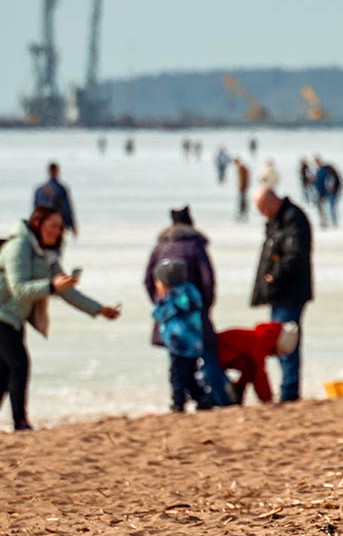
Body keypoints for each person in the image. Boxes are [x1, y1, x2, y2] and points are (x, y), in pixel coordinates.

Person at [0, 206, 120, 431]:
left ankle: (19, 421)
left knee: (5, 372)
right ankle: (21, 423)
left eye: (60, 227)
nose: (57, 232)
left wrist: (99, 309)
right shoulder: (18, 247)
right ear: (38, 224)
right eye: (53, 226)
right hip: (2, 317)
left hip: (13, 319)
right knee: (19, 365)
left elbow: (66, 291)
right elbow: (19, 289)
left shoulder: (46, 253)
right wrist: (51, 286)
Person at [144, 206, 232, 406]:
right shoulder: (195, 245)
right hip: (194, 316)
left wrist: (163, 302)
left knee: (176, 363)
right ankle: (213, 397)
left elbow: (147, 280)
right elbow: (208, 280)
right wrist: (202, 307)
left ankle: (180, 400)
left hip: (172, 322)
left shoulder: (160, 247)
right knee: (205, 357)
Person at [251, 187, 313, 402]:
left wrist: (276, 275)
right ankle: (288, 389)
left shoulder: (293, 218)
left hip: (290, 291)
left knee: (286, 340)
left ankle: (289, 391)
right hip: (280, 292)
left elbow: (295, 254)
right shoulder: (279, 220)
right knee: (278, 341)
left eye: (262, 209)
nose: (262, 214)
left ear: (271, 201)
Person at [151, 259, 213, 412]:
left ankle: (178, 402)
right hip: (194, 342)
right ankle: (202, 398)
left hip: (180, 343)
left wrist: (162, 299)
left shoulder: (174, 295)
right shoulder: (190, 290)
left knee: (177, 374)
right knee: (190, 373)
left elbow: (160, 314)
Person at [216, 321, 299, 404]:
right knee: (253, 368)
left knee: (250, 368)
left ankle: (236, 392)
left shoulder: (256, 339)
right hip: (218, 354)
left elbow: (252, 371)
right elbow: (259, 375)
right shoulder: (259, 344)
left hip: (222, 357)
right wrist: (267, 399)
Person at [33, 162, 78, 239]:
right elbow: (66, 208)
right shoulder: (61, 189)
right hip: (57, 224)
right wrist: (72, 226)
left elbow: (35, 210)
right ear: (57, 171)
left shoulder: (40, 189)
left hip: (42, 225)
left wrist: (33, 226)